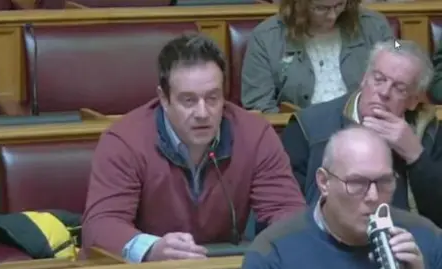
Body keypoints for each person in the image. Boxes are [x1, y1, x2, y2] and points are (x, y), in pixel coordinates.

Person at [80, 33, 306, 263]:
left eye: (212, 98)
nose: (202, 113)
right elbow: (101, 226)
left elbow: (288, 212)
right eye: (188, 100)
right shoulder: (124, 141)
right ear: (164, 99)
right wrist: (152, 249)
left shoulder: (255, 135)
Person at [281, 39, 442, 227]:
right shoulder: (308, 127)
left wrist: (415, 155)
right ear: (365, 77)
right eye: (379, 79)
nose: (384, 92)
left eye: (399, 88)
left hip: (408, 245)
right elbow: (286, 212)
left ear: (413, 101)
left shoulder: (428, 131)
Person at [243, 126, 442, 269]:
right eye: (356, 183)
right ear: (324, 182)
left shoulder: (428, 238)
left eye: (384, 181)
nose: (373, 196)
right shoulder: (274, 252)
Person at [241, 0, 395, 113]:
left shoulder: (375, 24)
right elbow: (259, 105)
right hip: (299, 134)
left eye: (339, 5)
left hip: (365, 128)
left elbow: (398, 49)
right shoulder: (266, 37)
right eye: (321, 8)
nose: (332, 16)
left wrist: (404, 49)